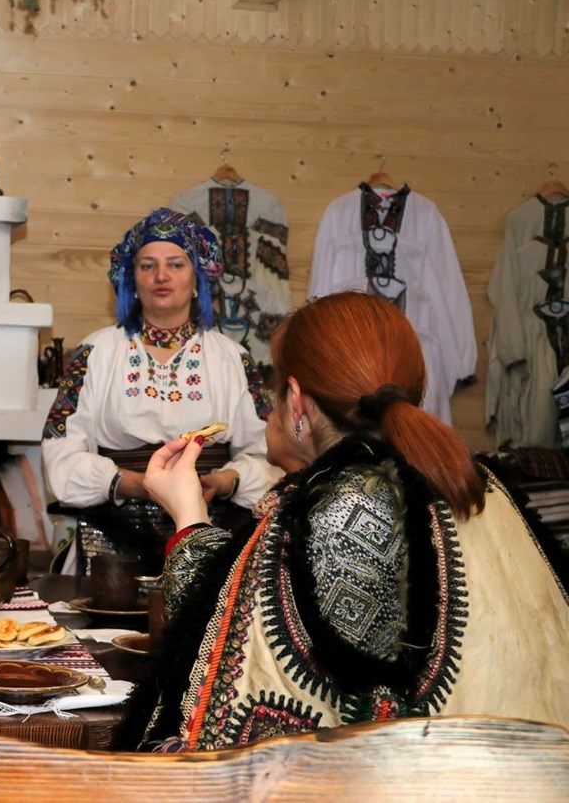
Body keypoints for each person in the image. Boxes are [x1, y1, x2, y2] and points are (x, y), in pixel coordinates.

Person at [124, 291, 569, 752]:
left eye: (275, 395)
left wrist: (187, 516)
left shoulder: (341, 504)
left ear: (296, 403)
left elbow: (218, 648)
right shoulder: (473, 479)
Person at [41, 208, 281, 573]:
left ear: (197, 279)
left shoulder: (232, 358)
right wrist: (135, 483)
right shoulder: (96, 352)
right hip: (112, 541)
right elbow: (61, 452)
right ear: (132, 280)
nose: (161, 276)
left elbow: (270, 455)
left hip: (213, 531)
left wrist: (222, 482)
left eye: (176, 264)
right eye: (147, 265)